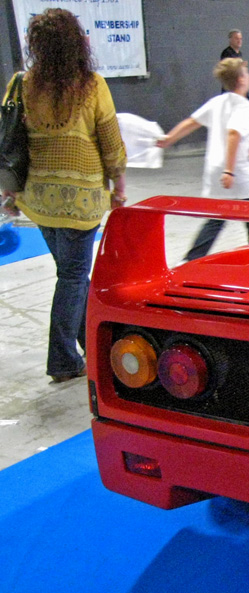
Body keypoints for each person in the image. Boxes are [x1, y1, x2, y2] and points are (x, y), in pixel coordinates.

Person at [0, 9, 127, 384]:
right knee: (72, 276)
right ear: (75, 43)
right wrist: (119, 185)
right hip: (80, 200)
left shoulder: (22, 84)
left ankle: (89, 341)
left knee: (71, 274)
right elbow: (110, 142)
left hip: (39, 200)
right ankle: (63, 360)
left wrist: (10, 189)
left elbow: (9, 140)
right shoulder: (92, 85)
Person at [157, 58, 249, 262]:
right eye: (246, 73)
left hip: (214, 170)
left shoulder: (217, 102)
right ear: (241, 79)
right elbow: (233, 133)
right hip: (237, 172)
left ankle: (189, 260)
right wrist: (229, 170)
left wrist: (169, 138)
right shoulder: (243, 106)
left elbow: (192, 122)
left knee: (215, 219)